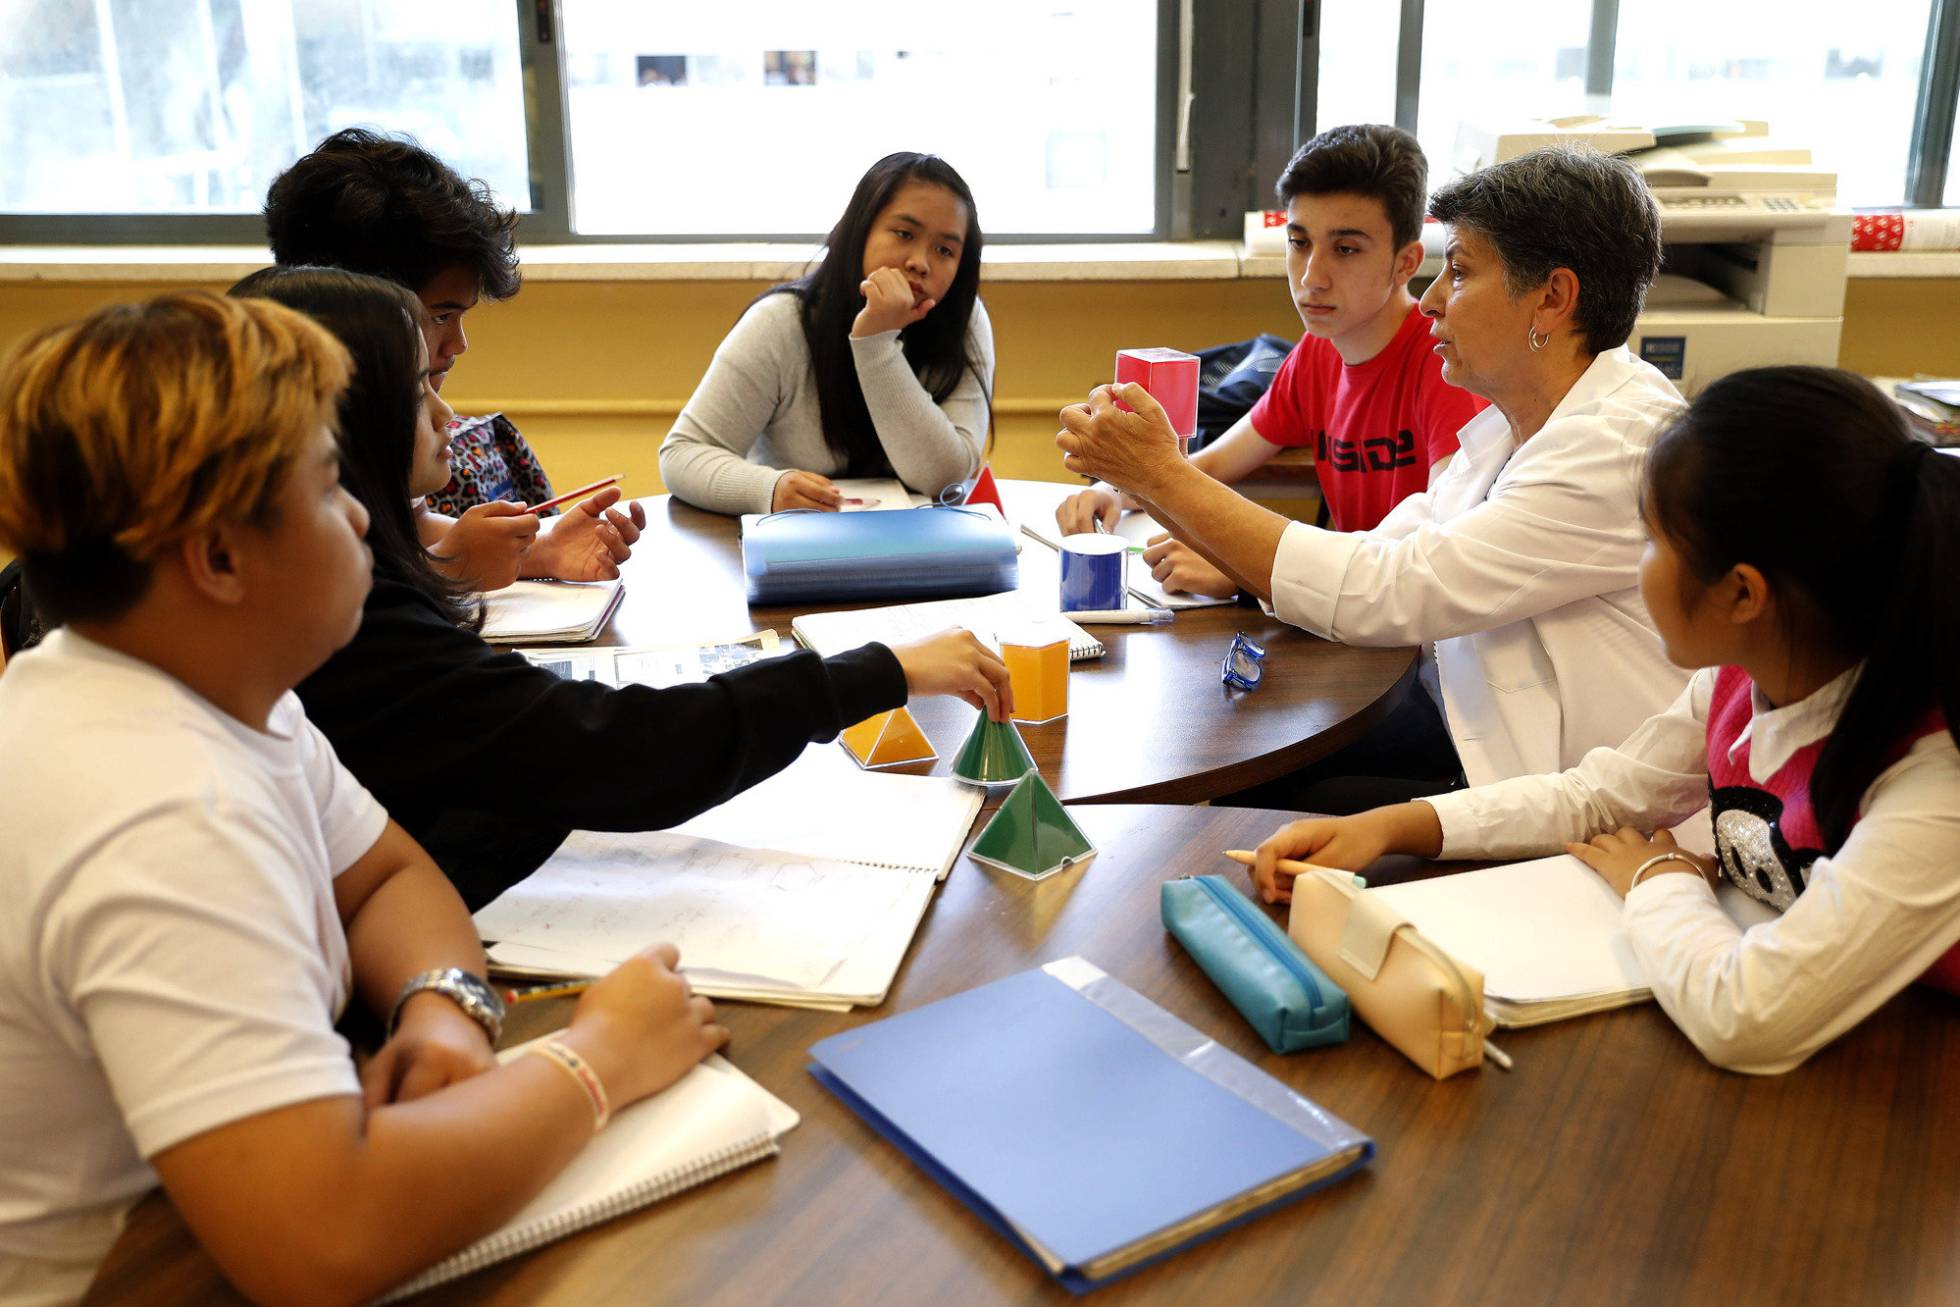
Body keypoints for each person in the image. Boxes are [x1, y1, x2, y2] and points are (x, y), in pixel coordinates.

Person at [0, 290, 727, 1305]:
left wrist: (445, 1007)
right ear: (220, 556)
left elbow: (387, 876)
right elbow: (322, 1243)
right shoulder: (160, 810)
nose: (361, 516)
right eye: (329, 484)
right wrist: (598, 1057)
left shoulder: (207, 685)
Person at [1247, 367, 1960, 1074]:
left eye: (1652, 540)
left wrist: (1657, 877)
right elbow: (1599, 795)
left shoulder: (1934, 787)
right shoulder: (1741, 679)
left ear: (1743, 594)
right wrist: (1389, 826)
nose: (1637, 566)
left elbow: (1746, 1018)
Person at [231, 266, 1013, 910]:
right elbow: (611, 750)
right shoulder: (356, 628)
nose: (448, 414)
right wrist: (880, 671)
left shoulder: (342, 610)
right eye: (419, 390)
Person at [1057, 146, 1691, 809]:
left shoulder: (1610, 448)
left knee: (1258, 785)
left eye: (1459, 272)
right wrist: (1149, 481)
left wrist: (1158, 474)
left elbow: (1387, 590)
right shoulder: (1514, 424)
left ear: (1552, 298)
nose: (1433, 301)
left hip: (1580, 809)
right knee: (1251, 768)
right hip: (1483, 742)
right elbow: (1385, 548)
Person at [1056, 124, 1485, 598]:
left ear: (1406, 263)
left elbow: (1439, 554)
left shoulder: (1446, 363)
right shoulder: (1317, 353)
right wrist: (1115, 490)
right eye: (1299, 242)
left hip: (1402, 622)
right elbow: (1211, 464)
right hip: (1344, 613)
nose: (1312, 277)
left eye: (1345, 249)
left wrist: (1246, 574)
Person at [264, 126, 639, 589]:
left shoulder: (386, 424)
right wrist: (449, 568)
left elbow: (414, 527)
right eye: (441, 315)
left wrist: (541, 549)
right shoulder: (288, 442)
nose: (460, 344)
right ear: (356, 306)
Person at [660, 152, 993, 515]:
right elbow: (682, 454)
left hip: (924, 542)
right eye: (904, 234)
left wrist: (876, 343)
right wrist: (769, 488)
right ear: (860, 230)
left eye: (945, 250)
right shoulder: (780, 322)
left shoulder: (965, 322)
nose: (920, 262)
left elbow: (943, 479)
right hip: (796, 537)